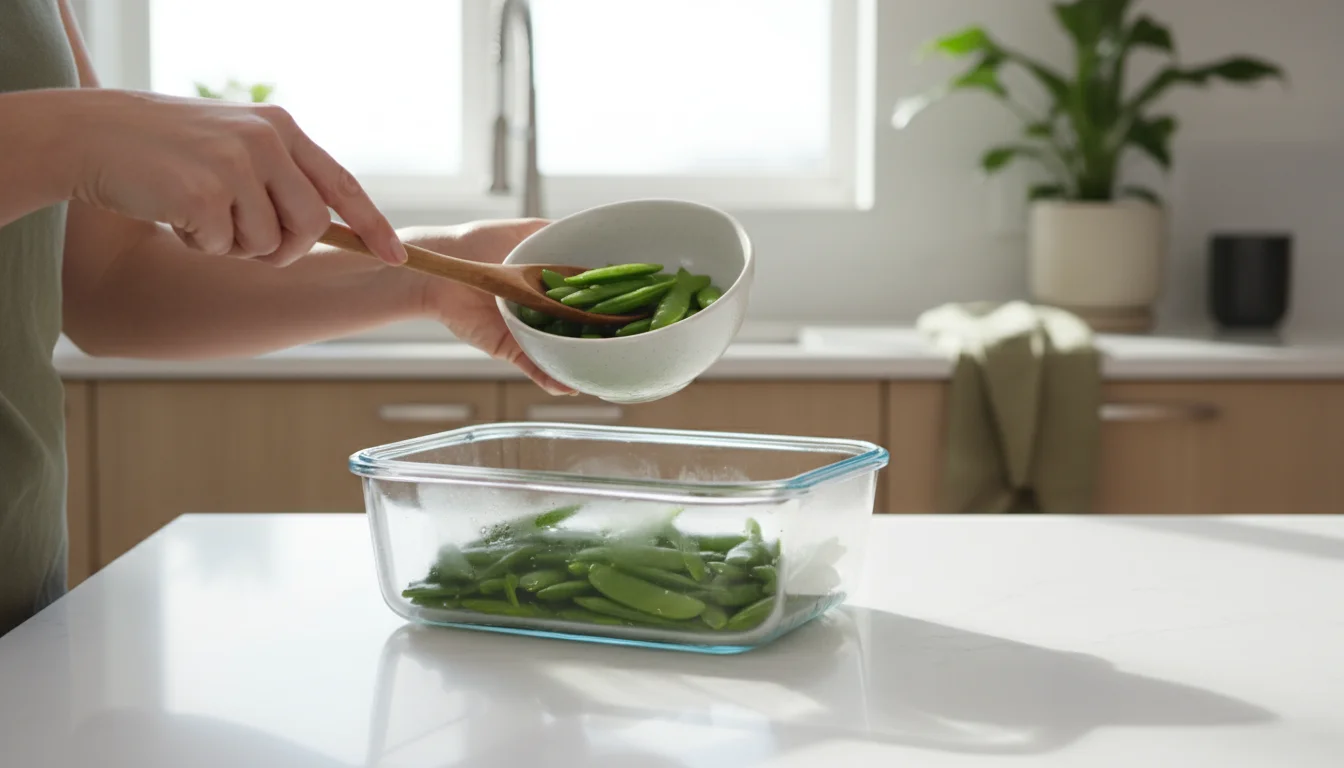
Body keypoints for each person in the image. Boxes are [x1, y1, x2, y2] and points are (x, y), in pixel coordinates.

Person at [0, 0, 571, 637]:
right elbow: (68, 156)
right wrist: (68, 136)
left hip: (23, 601)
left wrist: (430, 273)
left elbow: (110, 282)